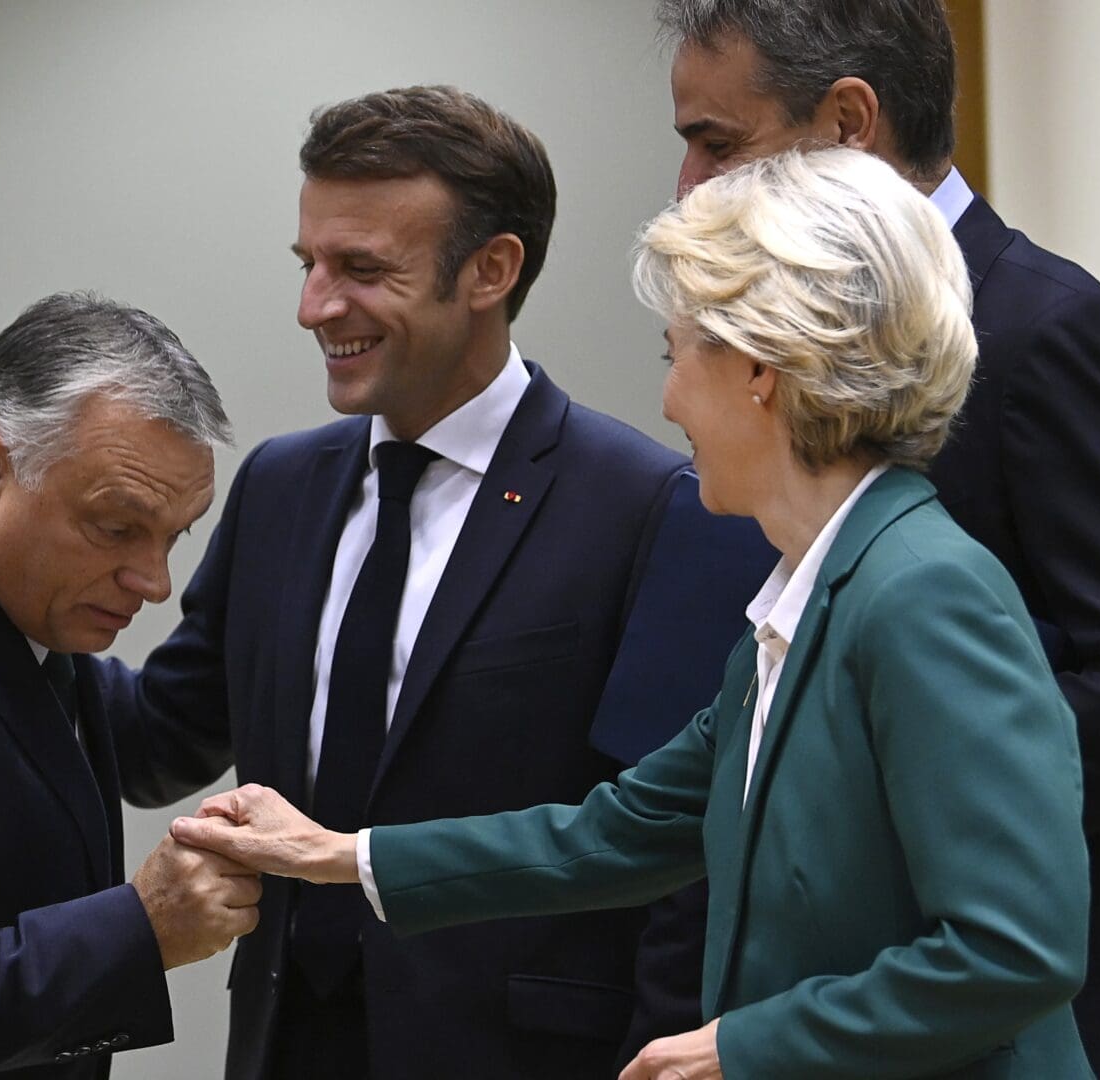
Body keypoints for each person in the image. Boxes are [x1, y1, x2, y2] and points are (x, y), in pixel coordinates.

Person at [175, 147, 1095, 1079]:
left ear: (761, 368)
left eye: (677, 353)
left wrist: (744, 1048)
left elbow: (1014, 951)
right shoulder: (806, 602)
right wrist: (340, 855)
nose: (666, 399)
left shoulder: (924, 593)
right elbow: (616, 831)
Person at [92, 86, 773, 1078]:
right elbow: (161, 739)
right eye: (310, 265)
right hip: (288, 1045)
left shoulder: (648, 507)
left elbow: (683, 862)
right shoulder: (281, 488)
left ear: (492, 269)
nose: (315, 306)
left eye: (361, 269)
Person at [657, 3, 1100, 1075]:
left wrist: (888, 762)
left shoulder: (1051, 335)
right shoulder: (778, 340)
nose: (691, 183)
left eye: (719, 142)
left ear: (847, 122)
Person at [0, 292, 258, 1077]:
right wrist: (142, 929)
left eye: (175, 536)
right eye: (118, 527)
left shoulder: (10, 579)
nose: (155, 582)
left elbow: (117, 735)